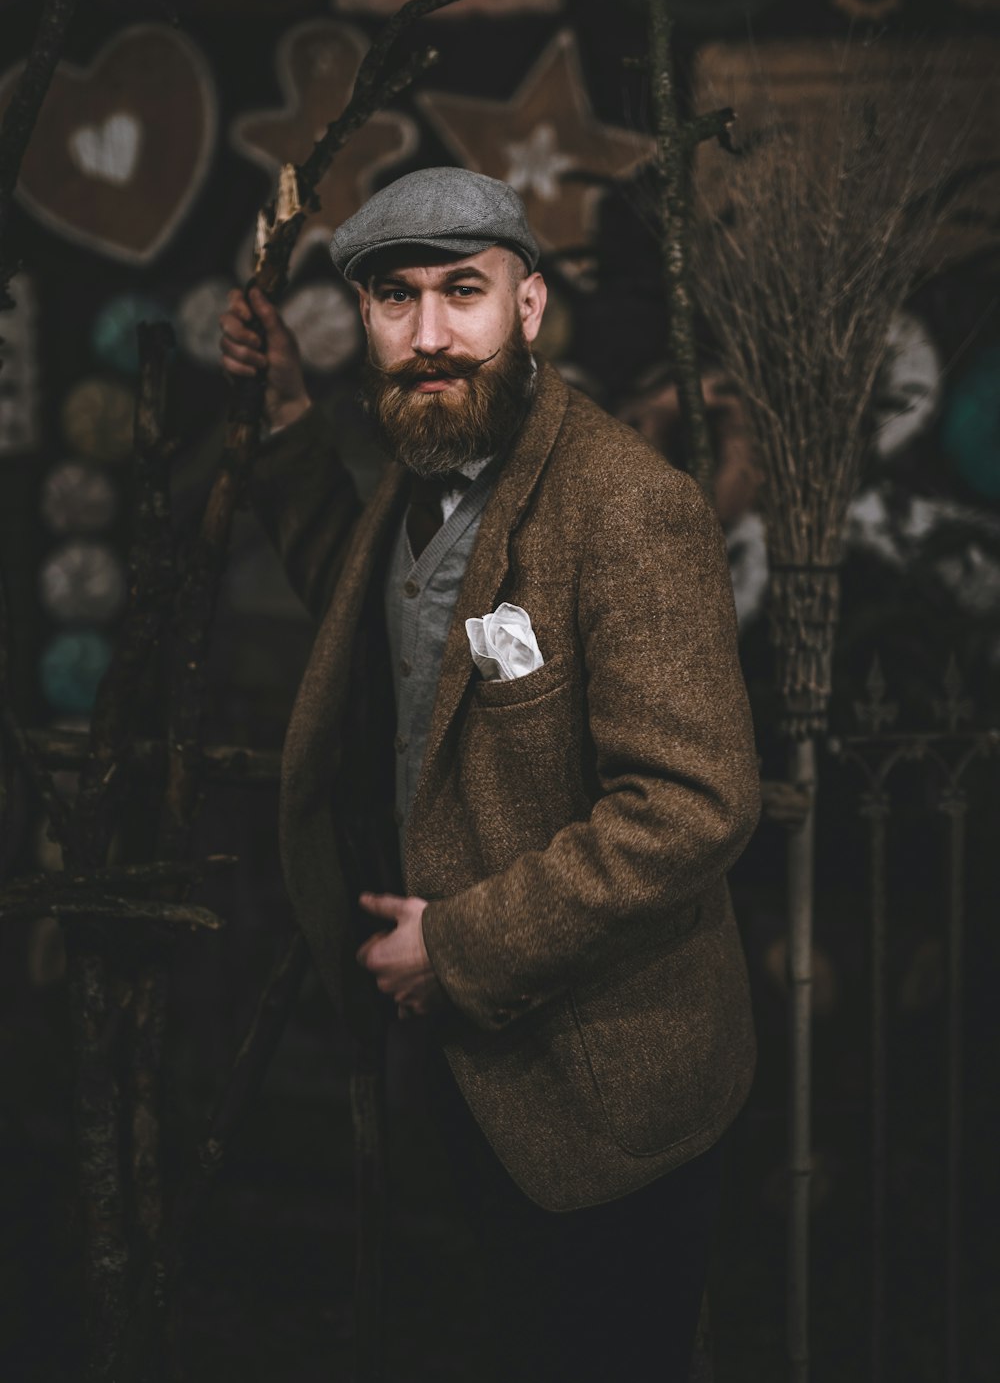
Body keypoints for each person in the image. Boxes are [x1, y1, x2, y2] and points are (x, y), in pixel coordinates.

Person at [219, 167, 761, 1383]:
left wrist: (455, 947)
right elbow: (379, 623)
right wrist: (289, 417)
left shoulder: (624, 508)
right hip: (472, 1073)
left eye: (462, 292)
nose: (428, 337)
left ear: (527, 307)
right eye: (394, 298)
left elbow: (691, 807)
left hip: (608, 1091)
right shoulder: (426, 477)